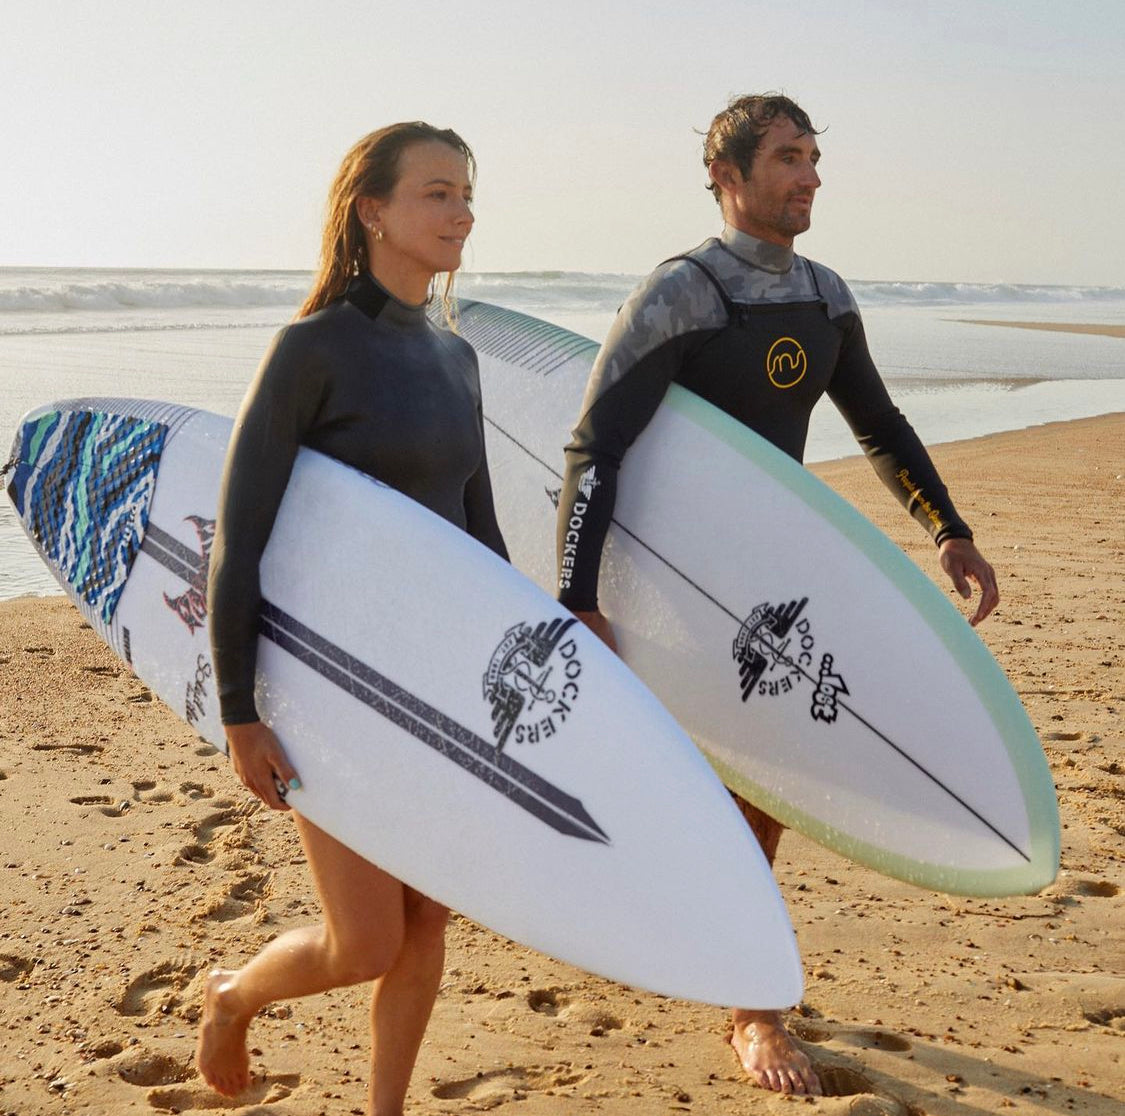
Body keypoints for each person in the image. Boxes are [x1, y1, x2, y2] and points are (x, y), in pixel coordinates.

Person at [554, 93, 999, 1097]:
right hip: (670, 585)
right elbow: (594, 448)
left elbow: (877, 423)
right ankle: (731, 974)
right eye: (789, 157)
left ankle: (748, 999)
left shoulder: (825, 296)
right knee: (720, 786)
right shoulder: (681, 293)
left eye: (814, 158)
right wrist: (579, 598)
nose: (810, 176)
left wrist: (949, 528)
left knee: (766, 787)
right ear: (730, 176)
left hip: (772, 588)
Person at [198, 122, 507, 1115]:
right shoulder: (310, 351)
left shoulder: (456, 359)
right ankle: (234, 996)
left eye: (465, 192)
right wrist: (240, 712)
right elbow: (236, 545)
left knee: (427, 925)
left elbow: (483, 543)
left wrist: (522, 670)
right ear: (372, 209)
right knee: (364, 939)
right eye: (437, 193)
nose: (462, 211)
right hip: (330, 686)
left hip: (436, 684)